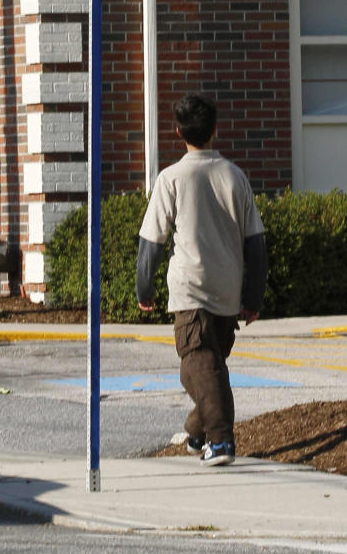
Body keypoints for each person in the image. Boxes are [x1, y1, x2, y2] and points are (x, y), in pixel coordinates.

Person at [136, 92, 267, 465]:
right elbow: (256, 244)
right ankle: (197, 431)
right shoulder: (234, 176)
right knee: (206, 368)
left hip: (189, 290)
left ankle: (221, 442)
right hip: (227, 290)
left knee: (199, 365)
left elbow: (152, 241)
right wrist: (253, 297)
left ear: (178, 132)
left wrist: (143, 287)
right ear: (215, 131)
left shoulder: (172, 178)